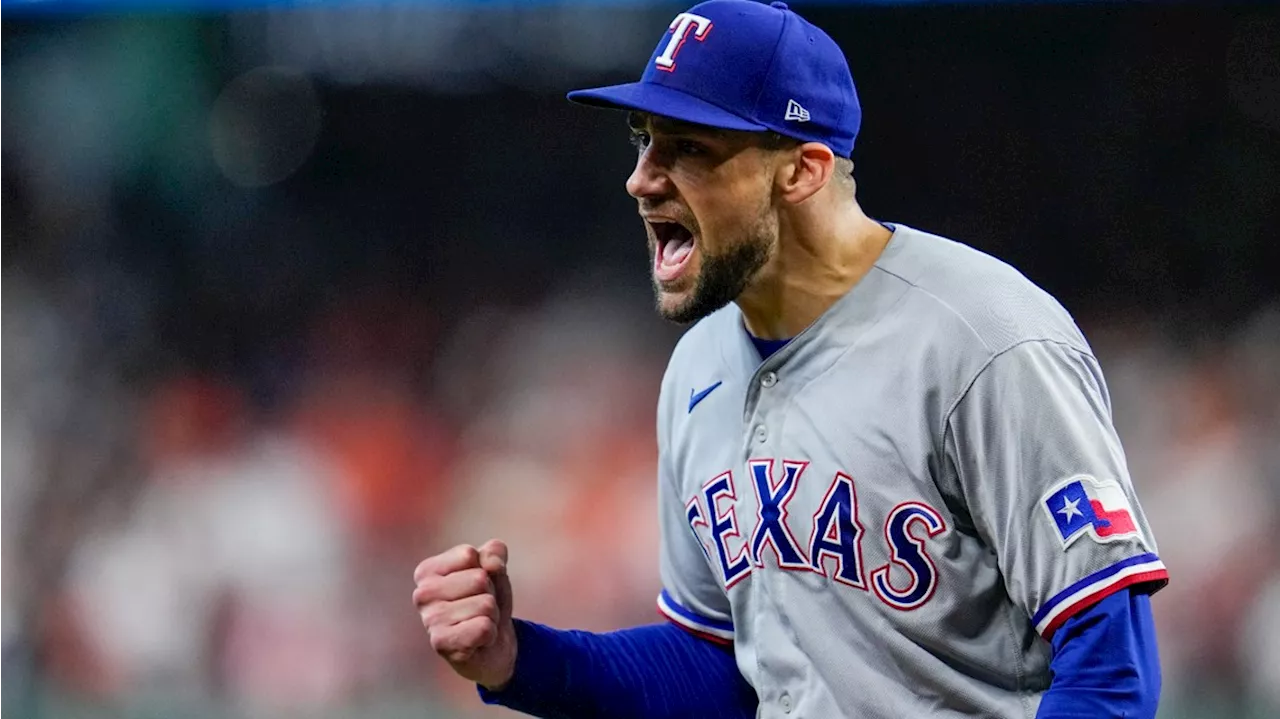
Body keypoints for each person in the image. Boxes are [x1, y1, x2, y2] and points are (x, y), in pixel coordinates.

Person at [411, 1, 1169, 716]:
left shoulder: (983, 340)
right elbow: (721, 666)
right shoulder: (699, 367)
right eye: (643, 138)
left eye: (689, 148)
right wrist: (519, 659)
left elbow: (1110, 665)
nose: (641, 178)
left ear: (802, 170)